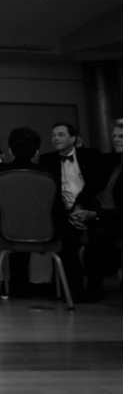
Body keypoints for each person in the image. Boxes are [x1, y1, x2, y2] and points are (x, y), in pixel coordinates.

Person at [38, 122, 104, 301]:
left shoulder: (90, 155)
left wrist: (81, 208)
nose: (56, 138)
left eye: (60, 134)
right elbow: (49, 193)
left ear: (73, 138)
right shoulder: (47, 159)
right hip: (63, 213)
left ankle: (95, 286)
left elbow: (95, 186)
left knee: (99, 236)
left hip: (89, 209)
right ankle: (73, 291)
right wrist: (69, 214)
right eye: (53, 135)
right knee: (66, 236)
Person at [0, 126, 50, 298]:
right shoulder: (46, 174)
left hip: (8, 230)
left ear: (9, 150)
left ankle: (15, 286)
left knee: (15, 224)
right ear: (37, 151)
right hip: (45, 231)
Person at [73, 119, 122, 301]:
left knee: (99, 232)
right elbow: (90, 188)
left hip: (117, 216)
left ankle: (95, 286)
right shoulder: (108, 160)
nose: (116, 140)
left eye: (121, 137)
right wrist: (79, 207)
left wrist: (95, 214)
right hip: (101, 214)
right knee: (70, 229)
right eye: (114, 136)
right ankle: (71, 286)